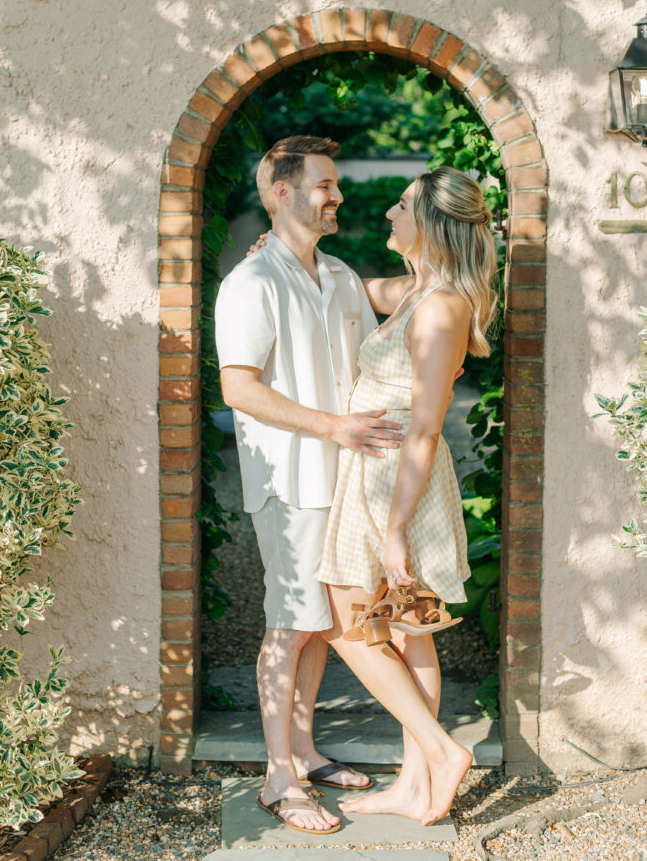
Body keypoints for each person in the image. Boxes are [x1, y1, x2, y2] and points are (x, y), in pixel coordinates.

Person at [214, 135, 407, 835]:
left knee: (321, 623)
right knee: (290, 623)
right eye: (325, 185)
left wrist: (452, 266)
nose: (338, 196)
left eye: (335, 184)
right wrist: (334, 427)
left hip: (345, 481)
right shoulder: (251, 282)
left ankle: (303, 750)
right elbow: (238, 388)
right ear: (281, 192)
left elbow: (383, 321)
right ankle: (278, 779)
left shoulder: (338, 274)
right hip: (292, 480)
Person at [317, 165, 498, 826]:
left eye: (401, 205)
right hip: (375, 470)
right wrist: (285, 254)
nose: (388, 213)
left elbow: (425, 427)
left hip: (399, 478)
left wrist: (395, 529)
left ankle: (442, 753)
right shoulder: (415, 290)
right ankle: (415, 784)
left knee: (346, 623)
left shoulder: (442, 307)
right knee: (408, 632)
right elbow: (349, 286)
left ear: (432, 223)